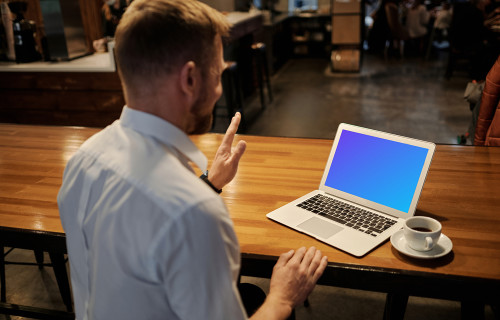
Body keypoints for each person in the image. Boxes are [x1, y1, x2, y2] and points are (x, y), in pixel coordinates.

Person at [57, 1, 328, 319]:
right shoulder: (195, 212)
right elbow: (175, 215)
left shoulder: (83, 161)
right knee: (265, 297)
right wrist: (283, 298)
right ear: (189, 79)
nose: (218, 90)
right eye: (217, 73)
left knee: (249, 294)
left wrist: (209, 183)